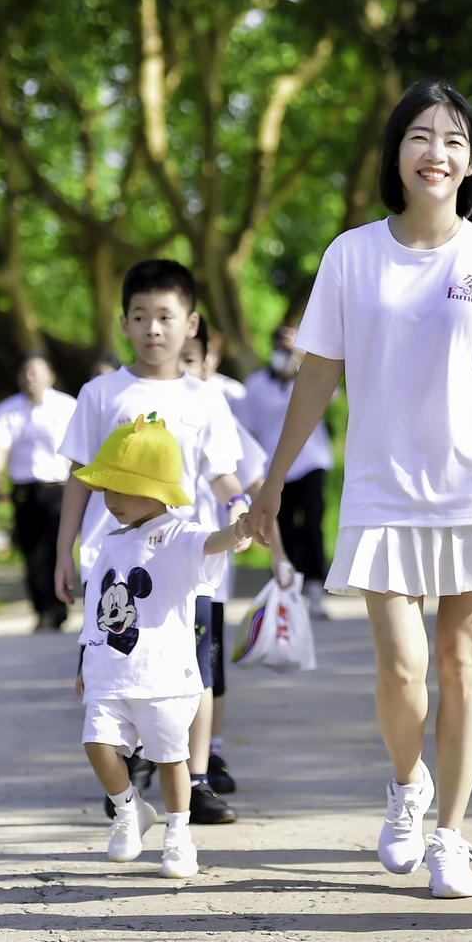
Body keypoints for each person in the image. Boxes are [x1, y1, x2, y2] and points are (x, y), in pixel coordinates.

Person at [245, 80, 472, 900]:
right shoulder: (350, 256)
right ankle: (407, 787)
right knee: (403, 669)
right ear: (396, 155)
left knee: (460, 663)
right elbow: (318, 375)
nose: (438, 152)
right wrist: (269, 482)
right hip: (380, 490)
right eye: (420, 137)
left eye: (455, 141)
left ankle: (453, 837)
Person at [53, 259, 252, 828]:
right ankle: (126, 776)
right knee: (115, 665)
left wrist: (244, 512)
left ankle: (195, 778)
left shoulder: (206, 399)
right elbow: (77, 478)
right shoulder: (99, 393)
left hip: (187, 562)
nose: (153, 329)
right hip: (113, 565)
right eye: (140, 316)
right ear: (123, 323)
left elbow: (222, 477)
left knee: (196, 669)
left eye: (165, 316)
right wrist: (65, 550)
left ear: (190, 323)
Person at [72, 413, 256, 879]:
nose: (109, 500)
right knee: (96, 744)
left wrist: (237, 531)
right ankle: (130, 810)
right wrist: (84, 661)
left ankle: (178, 834)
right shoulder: (108, 544)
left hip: (164, 676)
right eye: (106, 489)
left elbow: (210, 543)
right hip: (109, 673)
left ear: (155, 488)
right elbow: (96, 609)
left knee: (172, 759)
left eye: (121, 488)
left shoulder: (179, 533)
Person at [178, 321, 270, 801]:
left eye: (192, 359)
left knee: (206, 670)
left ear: (211, 360)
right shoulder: (140, 409)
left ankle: (207, 754)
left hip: (207, 569)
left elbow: (251, 483)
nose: (184, 369)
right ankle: (145, 757)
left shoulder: (218, 414)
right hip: (151, 569)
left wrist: (275, 546)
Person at [235, 323, 334, 613]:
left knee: (313, 521)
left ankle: (315, 586)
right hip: (275, 468)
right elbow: (248, 431)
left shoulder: (312, 378)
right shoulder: (254, 387)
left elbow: (332, 397)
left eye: (291, 346)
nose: (284, 351)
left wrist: (299, 371)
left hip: (311, 462)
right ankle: (289, 589)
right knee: (284, 528)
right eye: (280, 345)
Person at [0, 352, 76, 631]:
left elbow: (78, 452)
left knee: (52, 549)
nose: (30, 377)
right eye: (25, 372)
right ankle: (42, 608)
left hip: (58, 488)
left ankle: (55, 608)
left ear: (50, 376)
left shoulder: (66, 406)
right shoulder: (7, 410)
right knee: (30, 552)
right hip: (23, 490)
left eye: (36, 371)